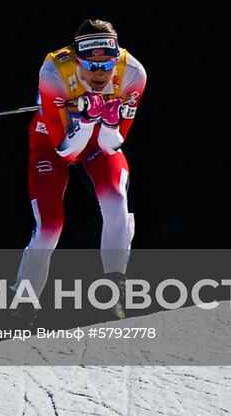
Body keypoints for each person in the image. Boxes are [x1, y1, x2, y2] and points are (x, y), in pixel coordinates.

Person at [15, 18, 146, 322]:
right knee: (49, 228)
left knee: (116, 202)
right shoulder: (53, 72)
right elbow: (67, 151)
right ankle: (23, 308)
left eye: (107, 64)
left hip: (97, 144)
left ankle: (113, 295)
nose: (101, 73)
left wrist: (110, 122)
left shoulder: (133, 73)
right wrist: (86, 120)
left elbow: (112, 145)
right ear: (77, 60)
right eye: (91, 65)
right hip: (52, 142)